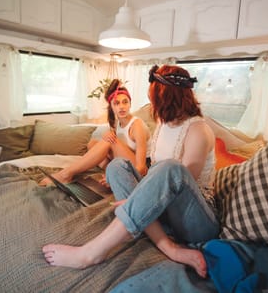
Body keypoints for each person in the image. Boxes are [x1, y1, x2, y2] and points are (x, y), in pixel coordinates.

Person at [43, 65, 219, 278]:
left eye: (153, 97)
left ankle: (90, 253)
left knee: (170, 167)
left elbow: (178, 182)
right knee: (117, 167)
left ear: (167, 98)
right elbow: (154, 178)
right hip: (166, 214)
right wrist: (141, 195)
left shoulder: (198, 130)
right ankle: (169, 247)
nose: (151, 103)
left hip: (195, 219)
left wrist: (138, 197)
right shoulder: (163, 124)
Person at [46, 79, 150, 185]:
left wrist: (116, 177)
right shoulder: (117, 123)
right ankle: (110, 172)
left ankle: (65, 174)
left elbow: (141, 168)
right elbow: (116, 147)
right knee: (92, 143)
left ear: (130, 104)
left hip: (140, 170)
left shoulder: (137, 125)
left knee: (110, 141)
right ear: (112, 107)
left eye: (125, 102)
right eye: (116, 103)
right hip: (124, 162)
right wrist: (107, 135)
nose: (122, 107)